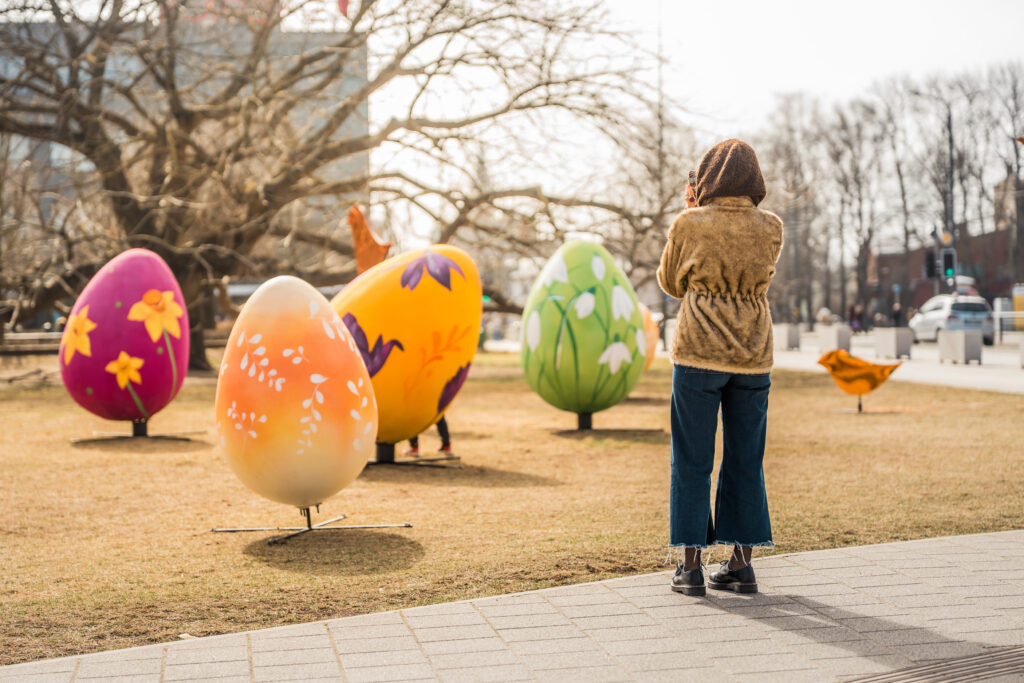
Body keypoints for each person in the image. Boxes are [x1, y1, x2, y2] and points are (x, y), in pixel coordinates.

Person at [656, 139, 784, 596]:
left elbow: (672, 283)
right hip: (753, 354)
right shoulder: (771, 227)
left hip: (697, 354)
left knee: (691, 460)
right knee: (746, 460)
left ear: (705, 178)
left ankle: (690, 568)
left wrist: (690, 213)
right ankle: (740, 565)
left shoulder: (690, 222)